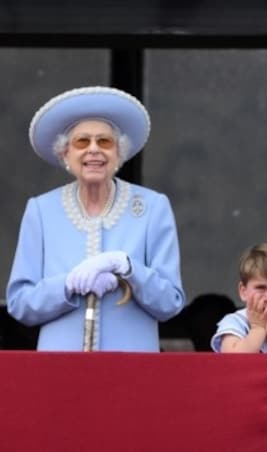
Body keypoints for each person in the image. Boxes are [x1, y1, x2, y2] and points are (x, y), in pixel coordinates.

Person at [6, 86, 185, 351]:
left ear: (118, 154)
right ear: (65, 154)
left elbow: (170, 302)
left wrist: (128, 268)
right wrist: (66, 285)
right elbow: (20, 304)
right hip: (60, 367)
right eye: (81, 142)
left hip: (132, 367)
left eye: (105, 142)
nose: (93, 150)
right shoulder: (41, 210)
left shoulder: (152, 207)